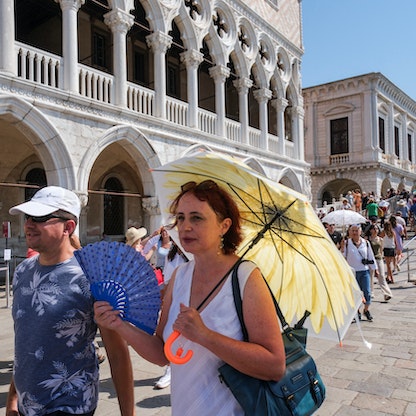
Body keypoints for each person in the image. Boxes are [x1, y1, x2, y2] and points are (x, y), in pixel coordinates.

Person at [94, 179, 286, 415]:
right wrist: (118, 325)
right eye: (181, 217)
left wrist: (205, 335)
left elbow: (274, 365)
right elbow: (161, 352)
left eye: (197, 218)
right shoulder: (180, 276)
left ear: (224, 226)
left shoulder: (247, 278)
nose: (185, 227)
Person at [6, 186, 135, 416]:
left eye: (40, 218)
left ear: (69, 227)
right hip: (28, 406)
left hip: (70, 405)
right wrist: (13, 399)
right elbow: (25, 342)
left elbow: (117, 354)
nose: (28, 224)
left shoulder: (93, 278)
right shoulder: (23, 271)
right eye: (28, 217)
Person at [154, 240, 189, 390]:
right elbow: (167, 281)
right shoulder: (172, 256)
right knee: (170, 335)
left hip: (189, 303)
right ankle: (170, 369)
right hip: (174, 299)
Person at [343, 224, 377, 321]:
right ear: (349, 232)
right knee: (355, 293)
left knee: (367, 291)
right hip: (352, 272)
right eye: (352, 230)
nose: (354, 232)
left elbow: (371, 256)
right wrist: (341, 248)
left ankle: (366, 310)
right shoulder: (346, 243)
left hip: (364, 270)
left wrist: (375, 269)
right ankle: (357, 311)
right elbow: (342, 257)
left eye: (356, 230)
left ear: (360, 231)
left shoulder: (365, 243)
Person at [367, 224, 392, 301]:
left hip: (378, 258)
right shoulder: (368, 240)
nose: (375, 230)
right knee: (370, 276)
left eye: (377, 229)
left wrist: (381, 257)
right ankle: (371, 292)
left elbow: (381, 249)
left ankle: (387, 293)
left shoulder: (380, 239)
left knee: (381, 276)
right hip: (370, 259)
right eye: (374, 229)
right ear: (370, 230)